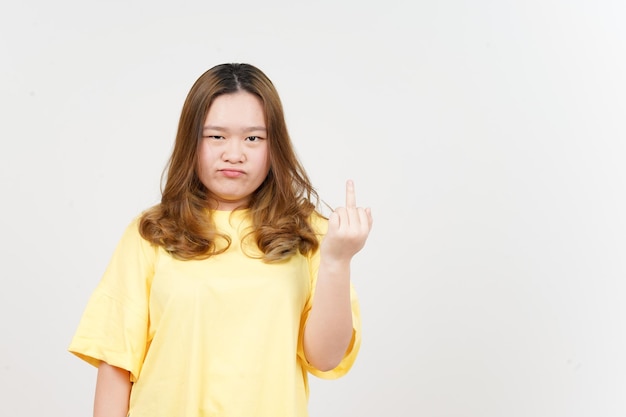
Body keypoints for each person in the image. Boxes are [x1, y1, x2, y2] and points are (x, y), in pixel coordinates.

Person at [68, 62, 373, 417]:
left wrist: (338, 260)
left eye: (253, 138)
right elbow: (117, 363)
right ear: (191, 141)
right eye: (216, 136)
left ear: (275, 146)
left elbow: (324, 358)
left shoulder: (310, 234)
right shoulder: (152, 232)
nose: (234, 153)